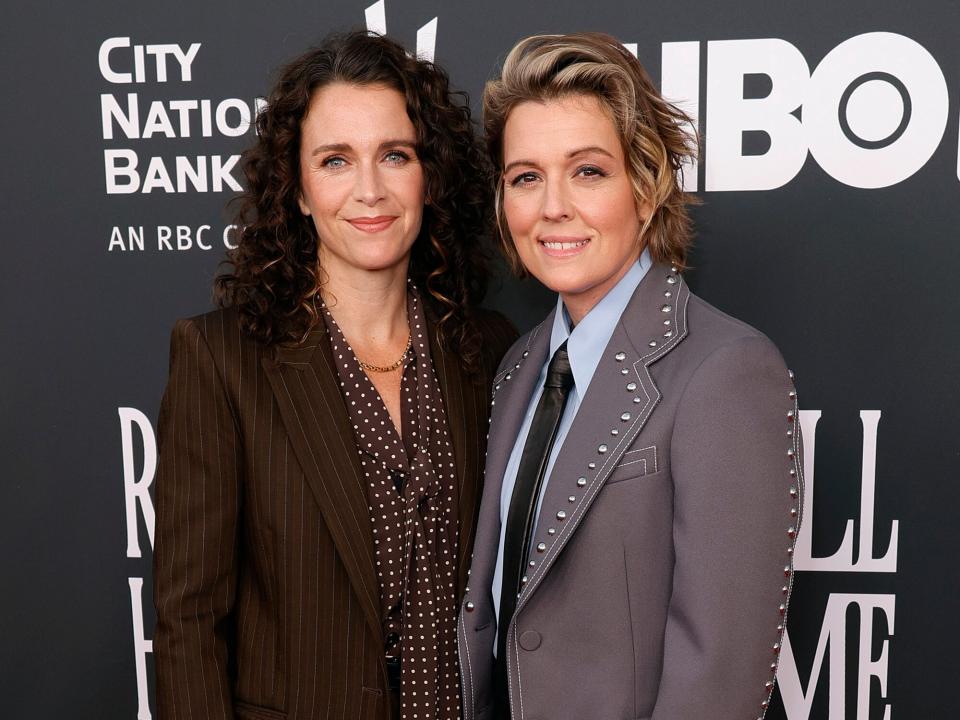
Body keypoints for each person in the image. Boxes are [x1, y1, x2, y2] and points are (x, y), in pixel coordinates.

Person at [153, 31, 516, 720]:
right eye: (335, 161)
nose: (370, 190)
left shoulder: (488, 348)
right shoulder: (222, 358)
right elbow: (187, 624)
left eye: (395, 155)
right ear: (297, 190)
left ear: (428, 175)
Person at [458, 32, 804, 720]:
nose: (552, 205)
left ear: (646, 190)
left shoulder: (725, 370)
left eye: (587, 171)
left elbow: (718, 676)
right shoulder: (519, 367)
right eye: (526, 177)